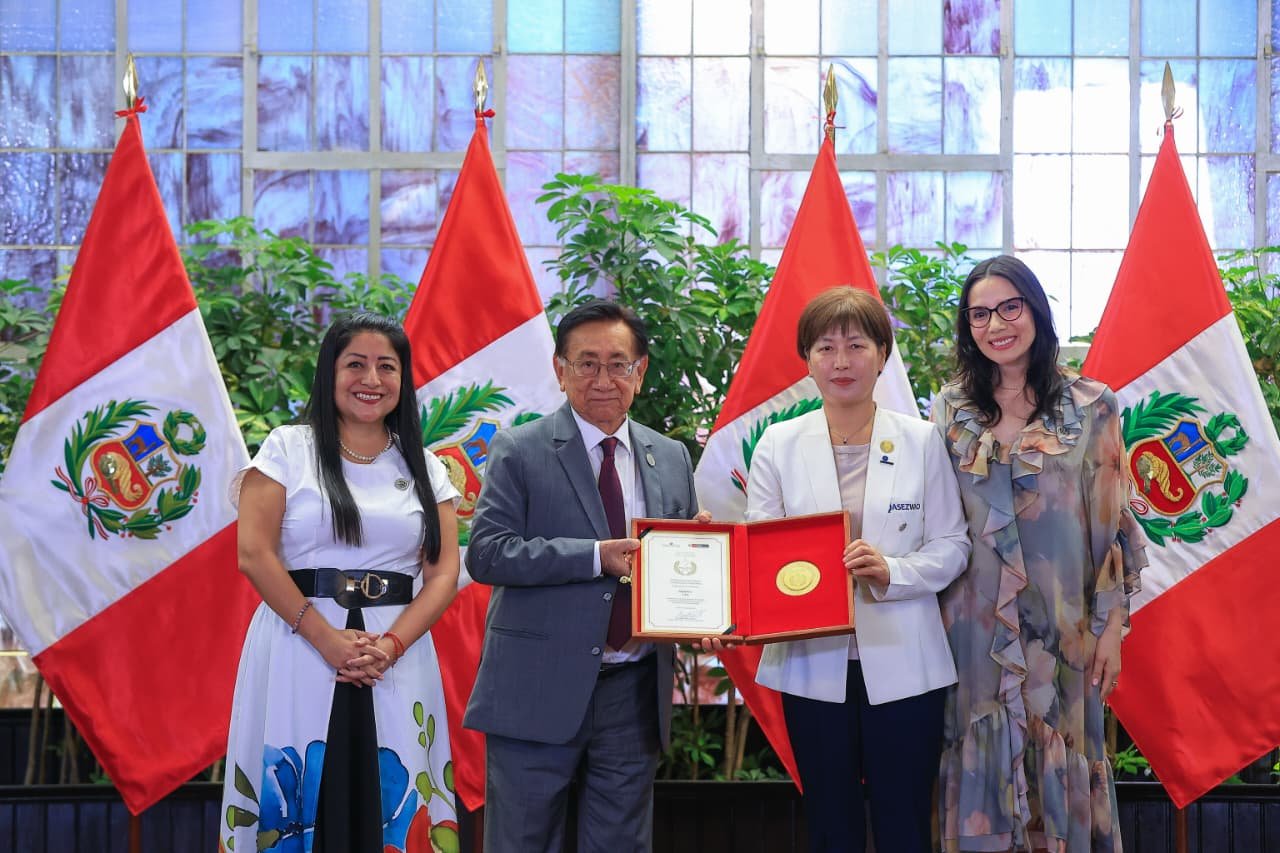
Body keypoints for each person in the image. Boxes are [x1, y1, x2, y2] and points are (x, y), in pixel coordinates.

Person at [463, 299, 708, 853]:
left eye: (618, 364)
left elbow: (680, 568)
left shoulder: (670, 456)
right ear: (560, 370)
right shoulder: (519, 449)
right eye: (587, 363)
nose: (603, 379)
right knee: (522, 842)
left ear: (640, 372)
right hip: (535, 686)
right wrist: (595, 556)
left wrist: (705, 601)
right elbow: (488, 554)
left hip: (633, 691)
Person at [219, 313, 461, 853]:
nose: (371, 380)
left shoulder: (425, 466)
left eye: (386, 367)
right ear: (330, 372)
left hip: (394, 653)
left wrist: (391, 646)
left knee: (393, 799)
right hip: (298, 643)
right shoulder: (287, 448)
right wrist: (326, 638)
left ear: (403, 379)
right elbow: (254, 553)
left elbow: (444, 572)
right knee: (300, 800)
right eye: (356, 364)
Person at [746, 286, 970, 853]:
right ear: (808, 360)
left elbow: (953, 545)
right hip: (810, 664)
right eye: (825, 347)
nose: (841, 361)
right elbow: (760, 555)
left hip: (906, 663)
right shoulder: (778, 443)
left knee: (904, 824)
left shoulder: (920, 440)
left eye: (856, 345)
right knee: (831, 826)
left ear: (882, 354)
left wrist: (893, 572)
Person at [934, 255, 1147, 852]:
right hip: (974, 632)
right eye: (979, 314)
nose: (996, 324)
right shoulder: (950, 408)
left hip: (1064, 626)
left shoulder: (1092, 405)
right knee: (980, 755)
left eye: (1010, 307)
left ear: (1035, 310)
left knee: (1065, 753)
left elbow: (1110, 524)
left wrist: (1111, 629)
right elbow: (939, 519)